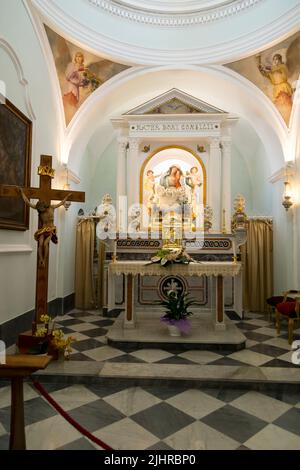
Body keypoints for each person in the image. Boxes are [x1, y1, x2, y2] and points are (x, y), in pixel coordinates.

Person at [20, 189, 71, 267]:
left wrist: (67, 196)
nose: (41, 211)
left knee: (45, 244)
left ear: (44, 206)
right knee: (40, 244)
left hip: (51, 229)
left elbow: (61, 203)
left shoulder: (52, 207)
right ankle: (41, 259)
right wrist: (22, 193)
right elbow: (28, 202)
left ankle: (44, 259)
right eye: (40, 210)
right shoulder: (39, 209)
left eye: (41, 209)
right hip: (43, 230)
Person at [258, 53, 293, 124]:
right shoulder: (273, 70)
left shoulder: (282, 66)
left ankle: (287, 119)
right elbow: (266, 74)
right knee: (278, 105)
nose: (275, 61)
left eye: (277, 59)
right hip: (277, 89)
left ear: (280, 60)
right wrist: (261, 69)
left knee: (285, 102)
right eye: (274, 59)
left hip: (283, 87)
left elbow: (276, 69)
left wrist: (268, 68)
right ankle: (282, 120)